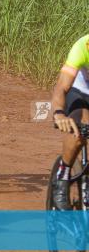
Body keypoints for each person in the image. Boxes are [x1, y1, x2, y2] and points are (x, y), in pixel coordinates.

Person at [51, 34, 89, 210]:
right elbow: (61, 87)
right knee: (81, 123)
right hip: (81, 93)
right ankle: (63, 174)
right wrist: (59, 113)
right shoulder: (83, 45)